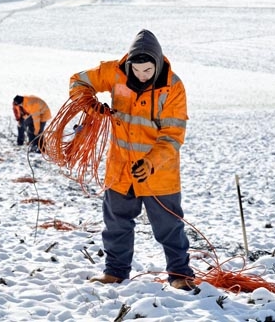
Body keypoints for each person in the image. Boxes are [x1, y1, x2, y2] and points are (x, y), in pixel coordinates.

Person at [69, 29, 196, 291]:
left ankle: (180, 275)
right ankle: (115, 273)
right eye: (136, 70)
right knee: (115, 224)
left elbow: (173, 135)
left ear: (157, 63)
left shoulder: (173, 86)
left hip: (159, 172)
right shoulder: (114, 72)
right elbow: (78, 81)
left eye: (147, 71)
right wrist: (89, 104)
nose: (141, 75)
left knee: (169, 227)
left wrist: (151, 162)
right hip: (120, 169)